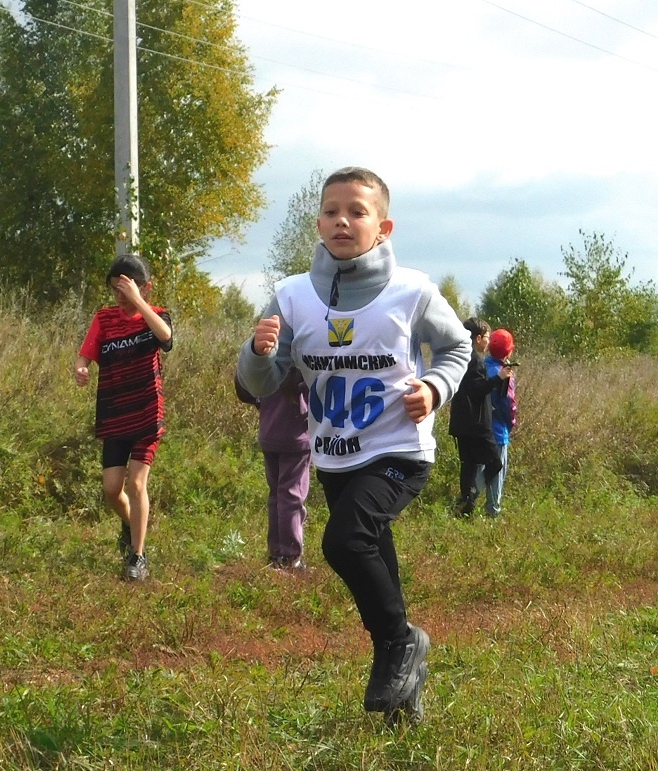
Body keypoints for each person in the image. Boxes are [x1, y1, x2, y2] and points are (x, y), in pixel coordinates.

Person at [236, 167, 471, 724]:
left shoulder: (412, 291)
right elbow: (261, 384)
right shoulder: (291, 296)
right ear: (317, 222)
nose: (343, 220)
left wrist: (434, 388)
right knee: (376, 566)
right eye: (332, 210)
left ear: (383, 226)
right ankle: (402, 700)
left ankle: (400, 642)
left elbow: (458, 346)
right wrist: (257, 349)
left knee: (344, 543)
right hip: (334, 455)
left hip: (398, 451)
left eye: (357, 211)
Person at [74, 254, 173, 582]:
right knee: (112, 490)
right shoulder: (104, 319)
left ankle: (138, 556)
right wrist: (82, 367)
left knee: (136, 482)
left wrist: (138, 303)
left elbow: (166, 338)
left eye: (126, 288)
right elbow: (85, 353)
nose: (120, 295)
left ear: (145, 288)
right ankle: (132, 527)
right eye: (115, 289)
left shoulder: (156, 316)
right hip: (115, 414)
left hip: (147, 413)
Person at [235, 366, 311, 571]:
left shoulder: (266, 355)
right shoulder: (299, 351)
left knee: (277, 495)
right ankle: (289, 557)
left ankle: (277, 552)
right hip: (295, 435)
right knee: (292, 496)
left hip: (269, 432)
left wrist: (264, 402)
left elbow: (244, 385)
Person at [448, 318, 513, 517]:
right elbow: (477, 389)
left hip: (462, 422)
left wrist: (500, 378)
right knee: (495, 462)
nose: (488, 341)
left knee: (469, 466)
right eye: (486, 337)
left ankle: (464, 510)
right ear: (477, 338)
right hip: (476, 424)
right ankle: (466, 500)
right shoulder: (475, 360)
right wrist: (499, 378)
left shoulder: (461, 356)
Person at [475, 328, 517, 517]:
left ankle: (468, 496)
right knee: (497, 469)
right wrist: (511, 423)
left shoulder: (482, 366)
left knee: (482, 466)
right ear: (508, 351)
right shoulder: (503, 373)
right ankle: (493, 510)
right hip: (499, 431)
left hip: (480, 428)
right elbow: (508, 404)